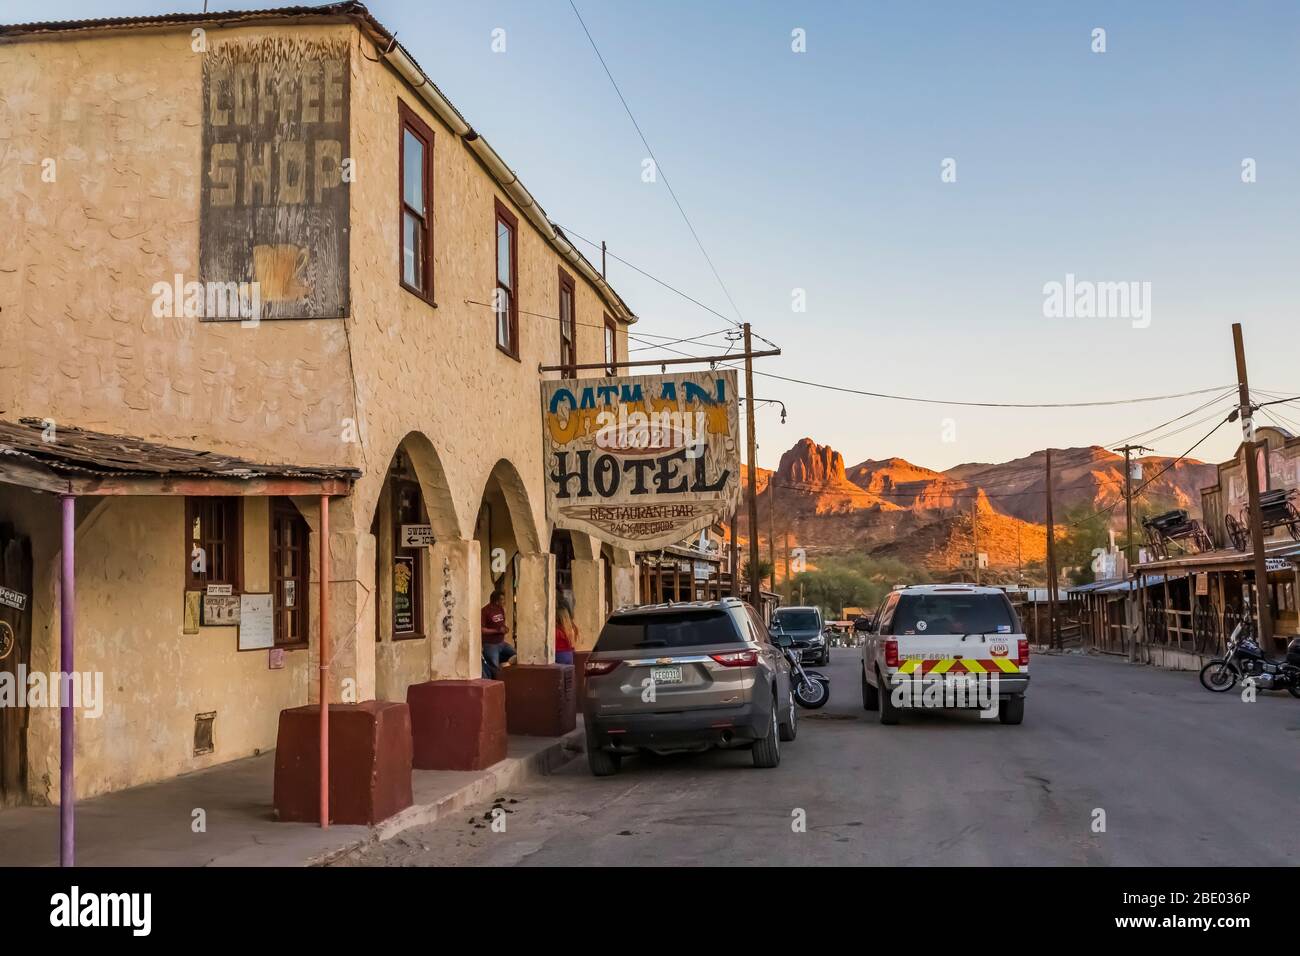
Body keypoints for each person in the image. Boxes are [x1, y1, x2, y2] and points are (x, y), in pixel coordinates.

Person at [481, 589, 516, 677]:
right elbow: (482, 629)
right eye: (502, 599)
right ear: (496, 601)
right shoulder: (485, 611)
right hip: (490, 644)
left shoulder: (500, 609)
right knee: (494, 668)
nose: (504, 601)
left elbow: (501, 624)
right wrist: (497, 631)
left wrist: (505, 629)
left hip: (501, 643)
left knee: (516, 655)